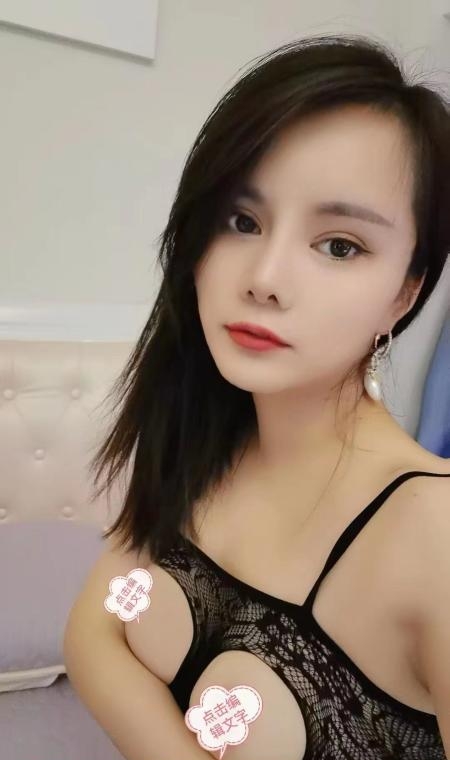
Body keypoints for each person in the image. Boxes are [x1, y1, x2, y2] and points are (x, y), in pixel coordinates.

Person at [63, 33, 450, 760]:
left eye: (339, 245)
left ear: (404, 293)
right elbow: (94, 626)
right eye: (242, 222)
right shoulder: (204, 429)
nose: (265, 278)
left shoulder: (435, 533)